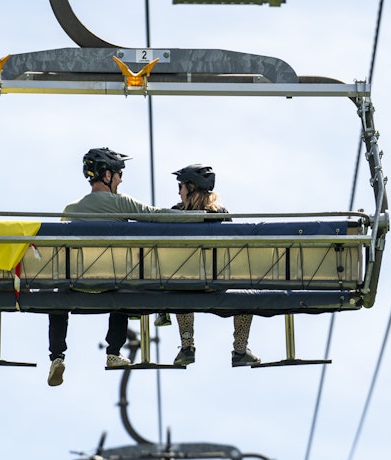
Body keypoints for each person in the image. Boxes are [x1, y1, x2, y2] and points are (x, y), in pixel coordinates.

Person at [47, 148, 170, 386]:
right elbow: (158, 216)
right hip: (111, 284)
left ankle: (57, 356)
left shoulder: (70, 210)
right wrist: (195, 213)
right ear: (106, 175)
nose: (121, 179)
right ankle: (114, 351)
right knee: (125, 283)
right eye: (118, 173)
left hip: (75, 285)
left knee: (56, 299)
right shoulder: (120, 203)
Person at [168, 164, 260, 368]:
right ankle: (240, 349)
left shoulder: (175, 214)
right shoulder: (221, 214)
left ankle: (187, 345)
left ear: (191, 187)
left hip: (185, 285)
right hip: (217, 281)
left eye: (181, 186)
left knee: (178, 288)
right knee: (246, 293)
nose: (178, 191)